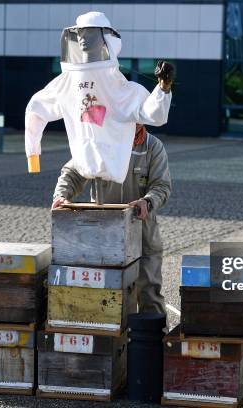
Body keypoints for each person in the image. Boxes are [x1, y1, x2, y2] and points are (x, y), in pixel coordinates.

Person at [24, 11, 174, 184]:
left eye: (89, 32)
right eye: (80, 32)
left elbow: (153, 115)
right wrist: (33, 155)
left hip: (114, 168)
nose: (82, 37)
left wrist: (163, 88)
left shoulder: (117, 85)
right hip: (82, 166)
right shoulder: (66, 82)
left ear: (105, 37)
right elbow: (36, 110)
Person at [52, 124, 171, 316]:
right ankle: (118, 343)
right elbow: (73, 173)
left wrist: (147, 202)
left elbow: (162, 186)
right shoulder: (98, 143)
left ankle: (154, 343)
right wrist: (61, 196)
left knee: (149, 294)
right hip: (103, 235)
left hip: (143, 235)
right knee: (109, 296)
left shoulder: (152, 147)